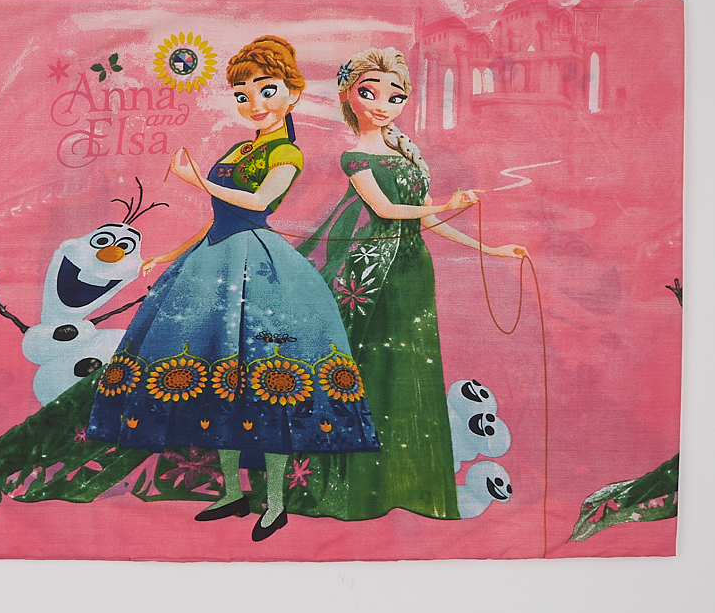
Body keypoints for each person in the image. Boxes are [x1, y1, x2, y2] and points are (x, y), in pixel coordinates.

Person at [87, 36, 379, 540]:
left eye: (267, 90)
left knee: (269, 384)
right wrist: (170, 254)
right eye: (243, 95)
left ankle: (275, 502)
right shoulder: (241, 148)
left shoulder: (287, 152)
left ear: (292, 93)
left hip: (260, 270)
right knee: (216, 380)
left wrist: (195, 180)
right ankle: (230, 492)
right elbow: (217, 217)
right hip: (210, 264)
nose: (254, 104)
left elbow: (258, 203)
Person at [288, 47, 527, 521]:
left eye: (395, 97)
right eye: (370, 93)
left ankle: (404, 484)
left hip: (413, 269)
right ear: (348, 96)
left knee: (410, 370)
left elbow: (424, 222)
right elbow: (386, 210)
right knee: (368, 368)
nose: (383, 105)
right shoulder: (355, 157)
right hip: (371, 272)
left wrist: (492, 249)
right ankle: (357, 489)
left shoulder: (403, 153)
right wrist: (447, 204)